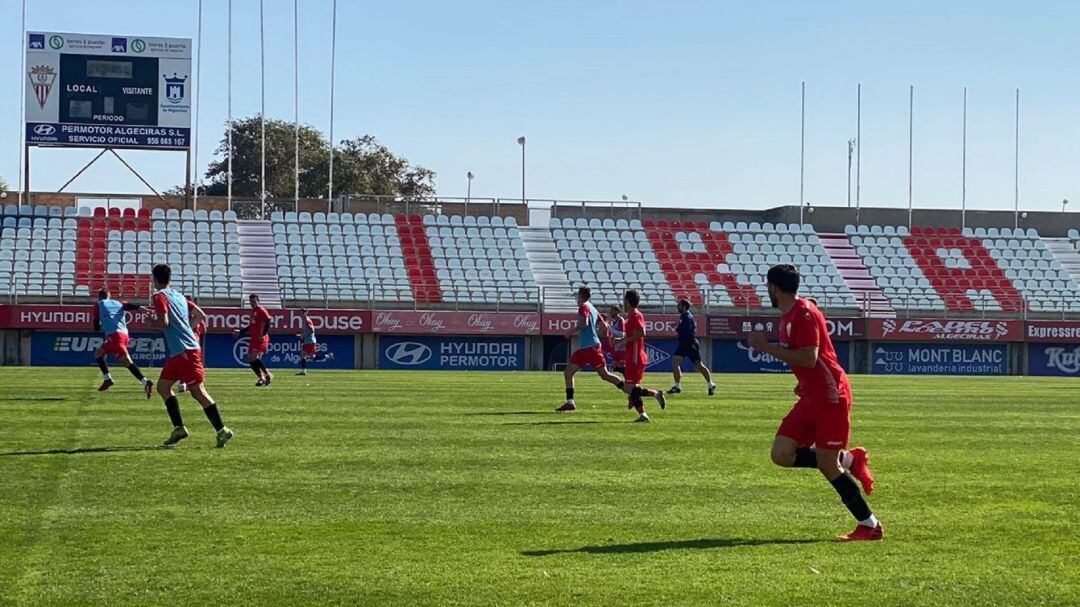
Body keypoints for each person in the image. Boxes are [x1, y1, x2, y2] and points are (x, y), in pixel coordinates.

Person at [747, 264, 881, 542]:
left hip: (831, 397)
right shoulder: (792, 314)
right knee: (781, 454)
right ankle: (849, 458)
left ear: (773, 287)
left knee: (827, 466)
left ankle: (869, 525)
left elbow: (809, 357)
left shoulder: (804, 314)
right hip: (812, 395)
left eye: (767, 286)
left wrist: (767, 347)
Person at [148, 264, 234, 448]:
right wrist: (185, 327)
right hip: (180, 351)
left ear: (155, 279)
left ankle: (222, 430)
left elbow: (163, 322)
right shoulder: (179, 296)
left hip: (185, 351)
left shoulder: (158, 296)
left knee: (198, 391)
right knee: (163, 387)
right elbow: (200, 315)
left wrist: (151, 322)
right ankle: (179, 428)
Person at [555, 286, 625, 412]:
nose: (576, 298)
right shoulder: (592, 307)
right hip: (589, 347)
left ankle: (630, 390)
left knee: (603, 375)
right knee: (571, 373)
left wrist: (570, 332)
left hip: (589, 348)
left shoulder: (584, 307)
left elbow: (585, 323)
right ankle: (570, 402)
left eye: (577, 296)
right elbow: (603, 326)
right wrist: (597, 335)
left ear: (580, 296)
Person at [612, 289, 667, 422]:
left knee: (631, 389)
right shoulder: (631, 315)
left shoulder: (635, 315)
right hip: (632, 355)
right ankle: (646, 409)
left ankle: (646, 410)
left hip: (635, 357)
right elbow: (633, 334)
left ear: (627, 301)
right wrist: (622, 340)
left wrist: (623, 340)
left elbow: (642, 332)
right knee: (630, 389)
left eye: (624, 300)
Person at [91, 288, 153, 398]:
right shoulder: (118, 303)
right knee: (98, 353)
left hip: (115, 336)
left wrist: (102, 323)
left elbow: (96, 327)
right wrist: (142, 309)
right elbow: (130, 306)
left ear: (99, 297)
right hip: (124, 335)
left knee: (127, 362)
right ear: (109, 296)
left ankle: (145, 382)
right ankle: (107, 379)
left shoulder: (98, 305)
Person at [668, 298, 716, 396]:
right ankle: (677, 386)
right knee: (675, 362)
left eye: (679, 305)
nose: (678, 307)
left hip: (690, 344)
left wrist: (676, 328)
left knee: (699, 365)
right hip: (683, 344)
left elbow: (686, 331)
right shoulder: (684, 316)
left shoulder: (687, 317)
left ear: (684, 307)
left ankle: (710, 384)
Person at [233, 294, 273, 386]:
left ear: (258, 301)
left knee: (254, 357)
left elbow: (268, 322)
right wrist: (240, 331)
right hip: (254, 338)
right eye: (251, 301)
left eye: (254, 301)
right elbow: (250, 327)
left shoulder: (261, 310)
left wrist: (262, 334)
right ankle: (261, 378)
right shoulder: (253, 312)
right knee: (250, 359)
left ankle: (267, 374)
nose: (252, 303)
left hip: (261, 338)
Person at [175, 296, 205, 395]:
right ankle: (196, 383)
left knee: (183, 360)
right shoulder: (195, 314)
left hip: (186, 340)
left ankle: (183, 382)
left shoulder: (181, 314)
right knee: (194, 363)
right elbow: (203, 329)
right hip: (195, 340)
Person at [296, 308, 334, 376]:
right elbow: (306, 330)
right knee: (302, 354)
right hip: (306, 341)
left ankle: (327, 356)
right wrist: (301, 335)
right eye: (300, 313)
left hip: (310, 341)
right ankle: (303, 371)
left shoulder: (307, 320)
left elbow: (312, 330)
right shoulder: (304, 320)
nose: (301, 314)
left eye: (302, 313)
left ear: (306, 313)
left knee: (312, 357)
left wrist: (303, 335)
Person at [602, 305, 627, 374]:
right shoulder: (614, 321)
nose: (610, 312)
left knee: (619, 365)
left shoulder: (621, 320)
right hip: (616, 346)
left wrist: (609, 328)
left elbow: (622, 334)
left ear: (616, 311)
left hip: (621, 347)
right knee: (614, 365)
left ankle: (627, 378)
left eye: (612, 311)